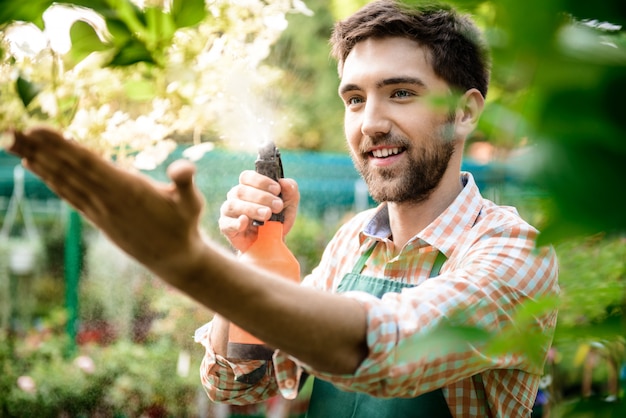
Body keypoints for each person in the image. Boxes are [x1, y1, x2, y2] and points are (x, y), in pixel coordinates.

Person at [6, 0, 558, 416]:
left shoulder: (515, 252)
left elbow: (392, 352)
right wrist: (256, 258)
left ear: (464, 114)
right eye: (355, 98)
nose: (370, 122)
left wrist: (191, 264)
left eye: (402, 93)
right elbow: (236, 383)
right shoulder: (351, 244)